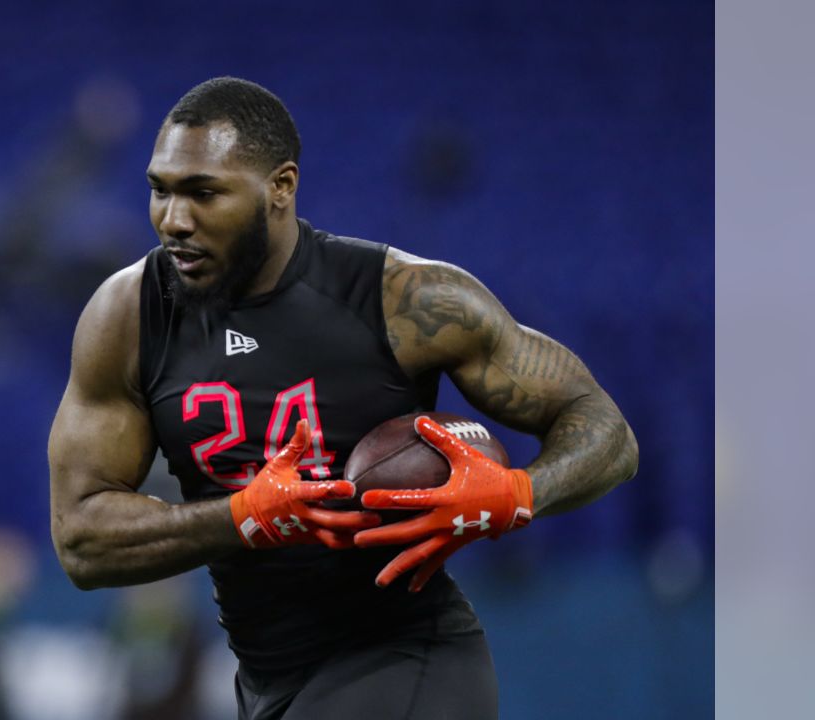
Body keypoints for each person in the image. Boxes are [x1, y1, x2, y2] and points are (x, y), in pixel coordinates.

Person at [47, 77, 638, 720]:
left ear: (281, 187)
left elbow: (606, 430)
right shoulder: (129, 316)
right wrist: (241, 515)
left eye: (204, 193)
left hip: (404, 656)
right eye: (159, 190)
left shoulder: (404, 300)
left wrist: (519, 494)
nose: (174, 219)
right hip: (266, 676)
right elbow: (82, 542)